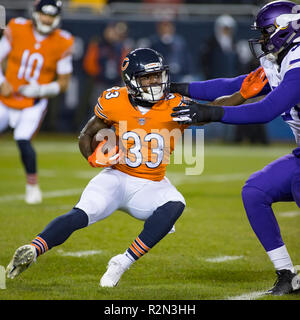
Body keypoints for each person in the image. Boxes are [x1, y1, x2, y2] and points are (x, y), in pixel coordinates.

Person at [5, 47, 263, 287]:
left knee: (175, 204)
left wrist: (242, 95)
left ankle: (122, 262)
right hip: (115, 177)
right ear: (131, 80)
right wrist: (91, 157)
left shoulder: (174, 103)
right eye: (147, 77)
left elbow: (214, 110)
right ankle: (34, 248)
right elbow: (87, 134)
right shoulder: (114, 100)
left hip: (151, 185)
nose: (155, 82)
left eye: (158, 76)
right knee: (80, 214)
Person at [171, 0, 300, 296]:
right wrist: (176, 87)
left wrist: (212, 114)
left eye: (267, 32)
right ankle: (285, 274)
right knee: (255, 191)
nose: (263, 39)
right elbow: (235, 85)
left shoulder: (298, 57)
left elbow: (269, 109)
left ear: (286, 29)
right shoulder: (278, 59)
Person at [0, 0, 74, 204]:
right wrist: (1, 81)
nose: (47, 19)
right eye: (44, 14)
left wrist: (40, 90)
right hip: (5, 98)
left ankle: (32, 186)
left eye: (51, 15)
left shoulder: (63, 41)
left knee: (23, 140)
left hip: (33, 103)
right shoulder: (17, 27)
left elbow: (64, 83)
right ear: (36, 13)